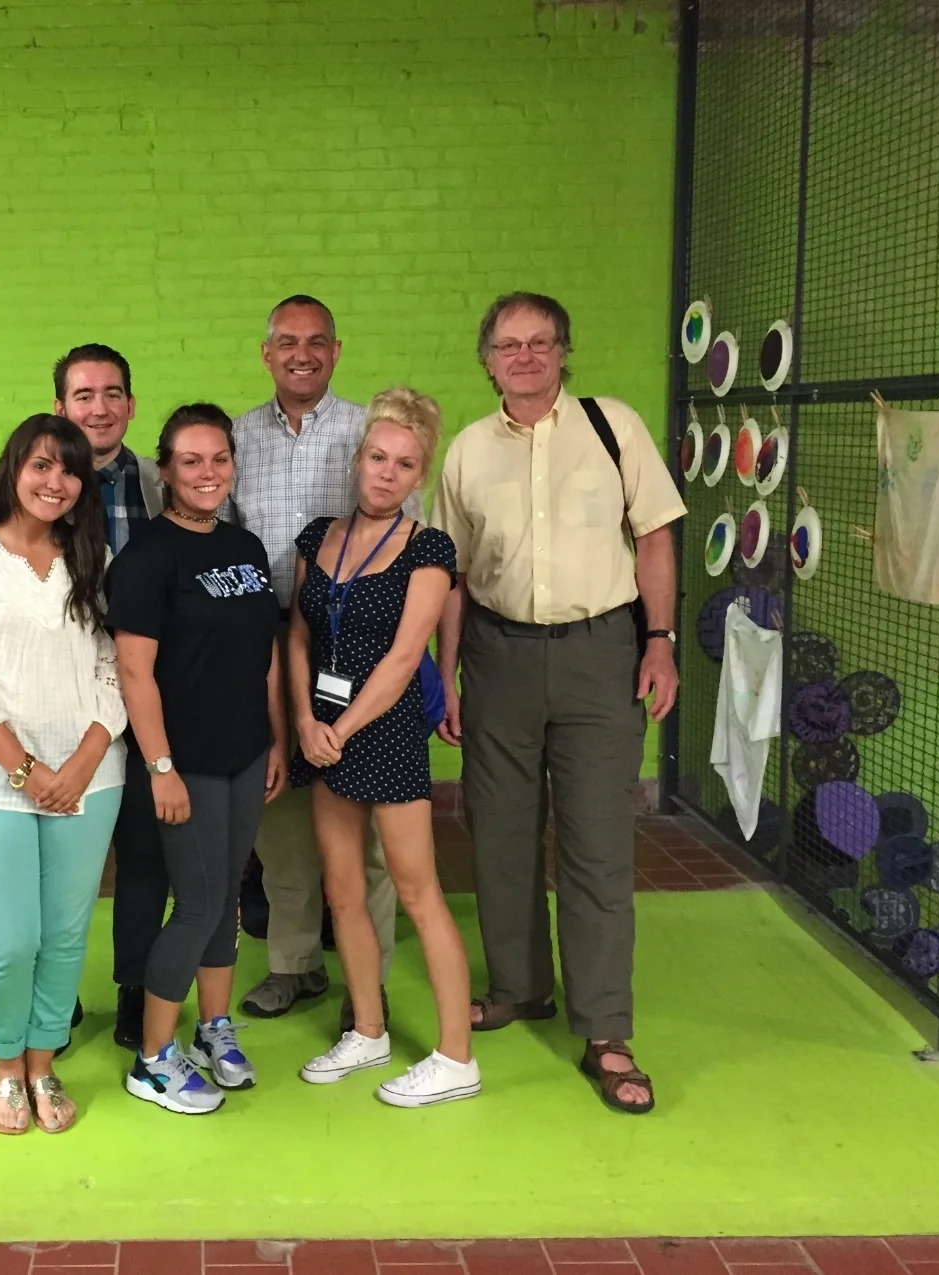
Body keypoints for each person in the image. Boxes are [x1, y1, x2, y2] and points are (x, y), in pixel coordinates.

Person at [432, 292, 685, 1116]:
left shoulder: (615, 427)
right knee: (500, 836)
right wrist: (445, 673)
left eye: (541, 342)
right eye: (509, 344)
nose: (526, 356)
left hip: (601, 655)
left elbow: (654, 538)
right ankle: (519, 987)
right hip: (496, 655)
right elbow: (452, 575)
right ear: (488, 359)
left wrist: (660, 641)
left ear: (563, 352)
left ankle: (606, 1028)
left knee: (597, 844)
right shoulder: (468, 450)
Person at [0, 414, 128, 1135]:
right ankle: (7, 1067)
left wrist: (82, 761)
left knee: (67, 935)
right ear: (14, 468)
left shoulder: (91, 557)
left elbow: (114, 668)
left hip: (90, 776)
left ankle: (43, 1063)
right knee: (11, 938)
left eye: (70, 470)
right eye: (42, 465)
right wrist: (30, 771)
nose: (56, 481)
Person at [288, 389, 479, 1106]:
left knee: (417, 892)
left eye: (404, 464)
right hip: (322, 732)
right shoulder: (318, 537)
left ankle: (456, 1057)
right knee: (341, 891)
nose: (386, 473)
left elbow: (404, 659)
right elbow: (299, 635)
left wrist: (339, 730)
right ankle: (367, 1029)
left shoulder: (429, 548)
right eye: (377, 457)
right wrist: (306, 720)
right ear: (358, 458)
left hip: (385, 735)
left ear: (419, 474)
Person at [229, 295, 406, 1029]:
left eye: (316, 342)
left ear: (336, 351)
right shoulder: (237, 437)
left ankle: (371, 981)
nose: (301, 354)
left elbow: (403, 538)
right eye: (286, 341)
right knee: (282, 822)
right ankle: (293, 963)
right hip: (266, 639)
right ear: (266, 353)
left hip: (354, 643)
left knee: (367, 832)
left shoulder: (369, 433)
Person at [107, 404, 288, 1114]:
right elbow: (133, 674)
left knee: (227, 898)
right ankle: (153, 1060)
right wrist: (160, 767)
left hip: (245, 752)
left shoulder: (245, 547)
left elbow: (263, 653)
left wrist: (274, 738)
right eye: (191, 461)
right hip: (187, 763)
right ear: (165, 471)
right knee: (198, 903)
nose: (207, 473)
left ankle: (214, 1026)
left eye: (219, 459)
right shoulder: (146, 558)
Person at [52, 343, 167, 1051]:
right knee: (66, 859)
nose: (99, 408)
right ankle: (55, 994)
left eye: (112, 393)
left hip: (148, 689)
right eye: (84, 395)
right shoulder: (44, 482)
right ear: (61, 406)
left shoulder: (159, 481)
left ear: (129, 403)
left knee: (146, 854)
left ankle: (135, 989)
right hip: (66, 698)